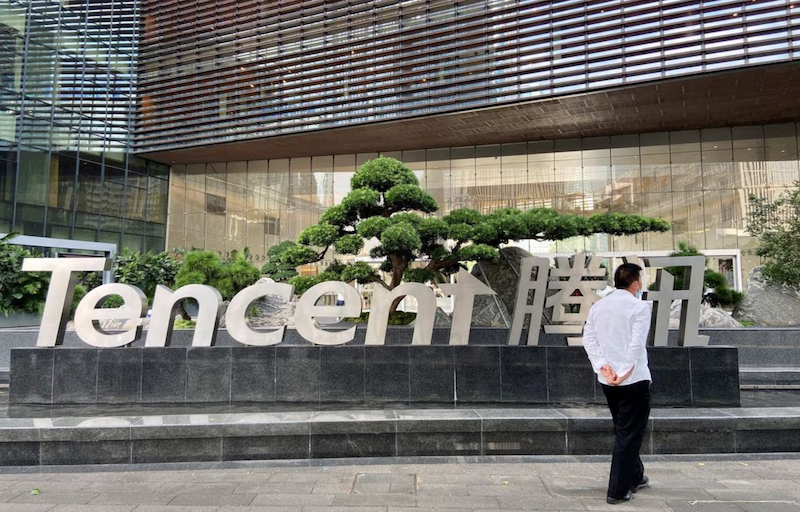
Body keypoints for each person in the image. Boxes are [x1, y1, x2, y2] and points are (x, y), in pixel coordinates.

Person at [582, 262, 652, 505]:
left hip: (608, 380)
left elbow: (588, 339)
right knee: (630, 433)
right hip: (632, 379)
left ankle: (636, 474)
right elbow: (636, 344)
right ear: (635, 282)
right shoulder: (639, 307)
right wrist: (623, 372)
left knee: (624, 428)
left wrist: (603, 366)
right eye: (640, 279)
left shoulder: (599, 307)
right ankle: (618, 490)